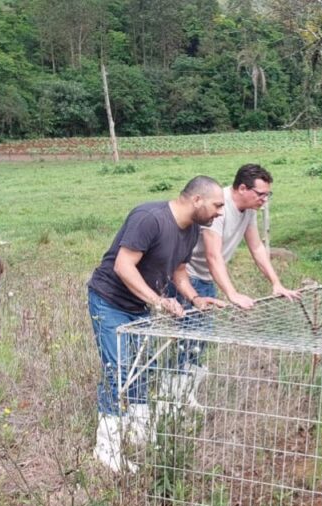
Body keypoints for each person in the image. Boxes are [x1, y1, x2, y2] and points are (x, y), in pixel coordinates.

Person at [87, 176, 226, 472]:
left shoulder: (192, 231)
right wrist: (158, 301)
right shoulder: (149, 218)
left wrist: (194, 298)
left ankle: (138, 431)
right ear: (196, 200)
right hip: (110, 301)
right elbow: (122, 266)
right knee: (118, 370)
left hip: (139, 305)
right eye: (217, 205)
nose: (220, 212)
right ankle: (106, 447)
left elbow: (178, 272)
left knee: (142, 367)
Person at [182, 163, 300, 309]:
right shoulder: (218, 206)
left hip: (207, 278)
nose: (265, 199)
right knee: (193, 330)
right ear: (242, 188)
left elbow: (257, 247)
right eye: (260, 194)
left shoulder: (250, 208)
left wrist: (276, 283)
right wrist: (233, 294)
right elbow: (213, 256)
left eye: (267, 194)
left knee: (203, 329)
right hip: (188, 278)